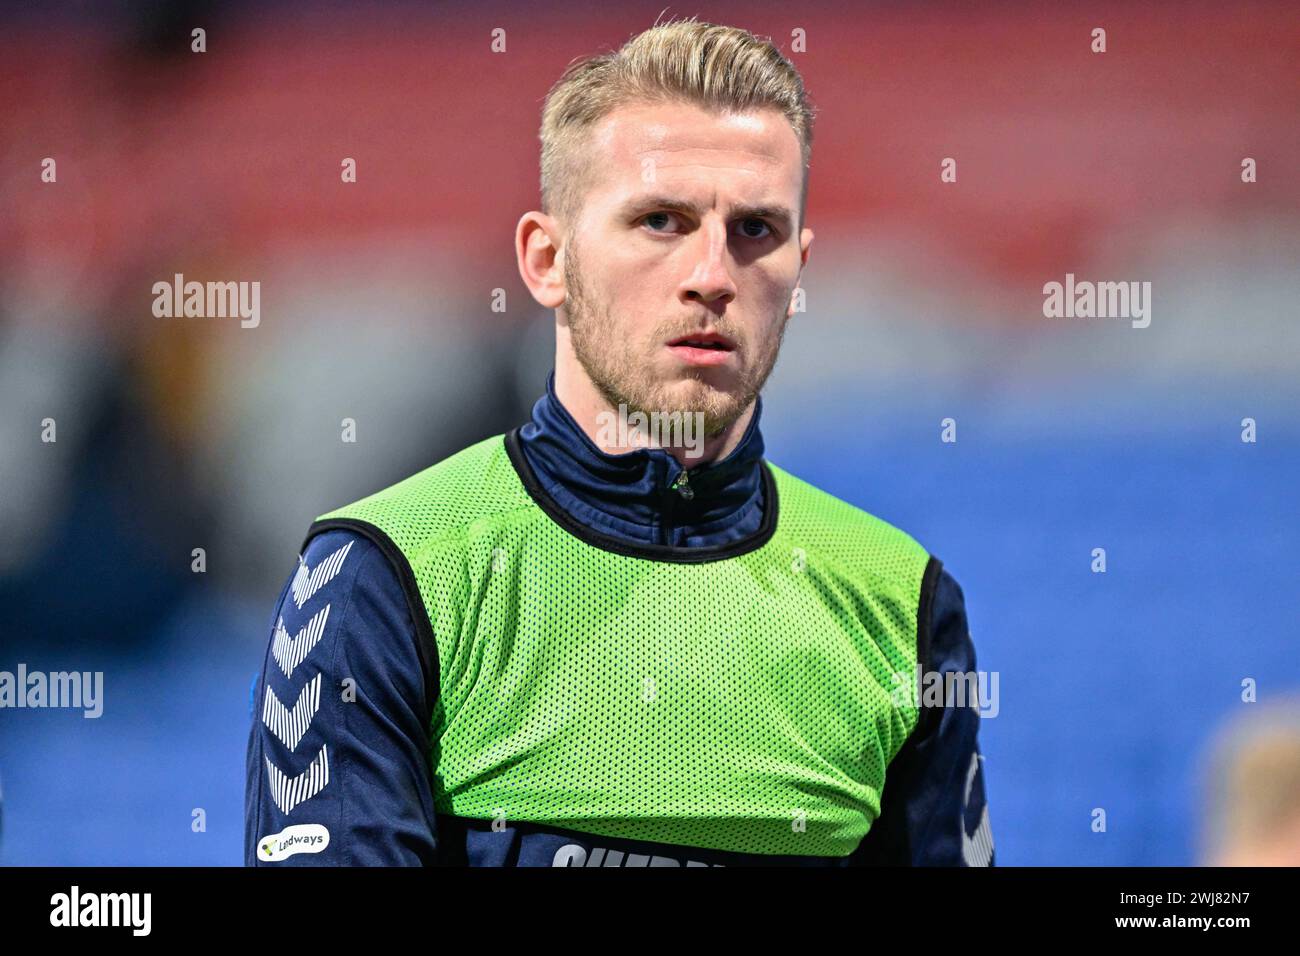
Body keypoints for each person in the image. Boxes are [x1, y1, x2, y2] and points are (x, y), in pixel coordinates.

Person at [244, 17, 993, 867]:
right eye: (661, 221)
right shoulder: (386, 575)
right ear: (546, 259)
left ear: (799, 269)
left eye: (755, 231)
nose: (712, 275)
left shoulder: (900, 602)